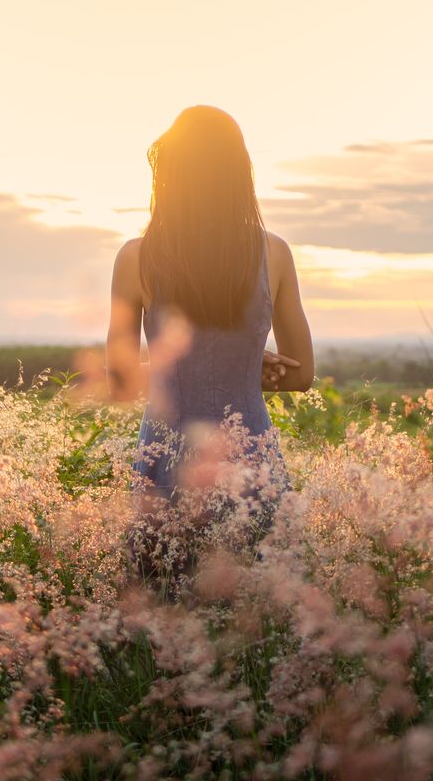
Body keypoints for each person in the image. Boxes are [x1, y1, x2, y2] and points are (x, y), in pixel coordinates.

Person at [106, 105, 314, 550]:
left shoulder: (135, 258)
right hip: (252, 455)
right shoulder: (273, 254)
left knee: (164, 601)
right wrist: (242, 365)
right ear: (239, 172)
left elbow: (121, 378)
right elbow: (301, 374)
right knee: (257, 602)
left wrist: (192, 367)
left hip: (167, 457)